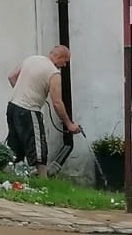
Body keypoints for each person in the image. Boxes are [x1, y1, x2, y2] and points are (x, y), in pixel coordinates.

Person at [7, 46, 78, 178]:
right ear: (59, 57)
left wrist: (24, 92)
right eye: (65, 61)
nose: (65, 65)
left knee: (16, 145)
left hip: (12, 107)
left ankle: (15, 177)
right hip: (29, 109)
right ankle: (43, 180)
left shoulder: (31, 59)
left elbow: (11, 77)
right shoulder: (53, 73)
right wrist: (69, 124)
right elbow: (57, 103)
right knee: (38, 146)